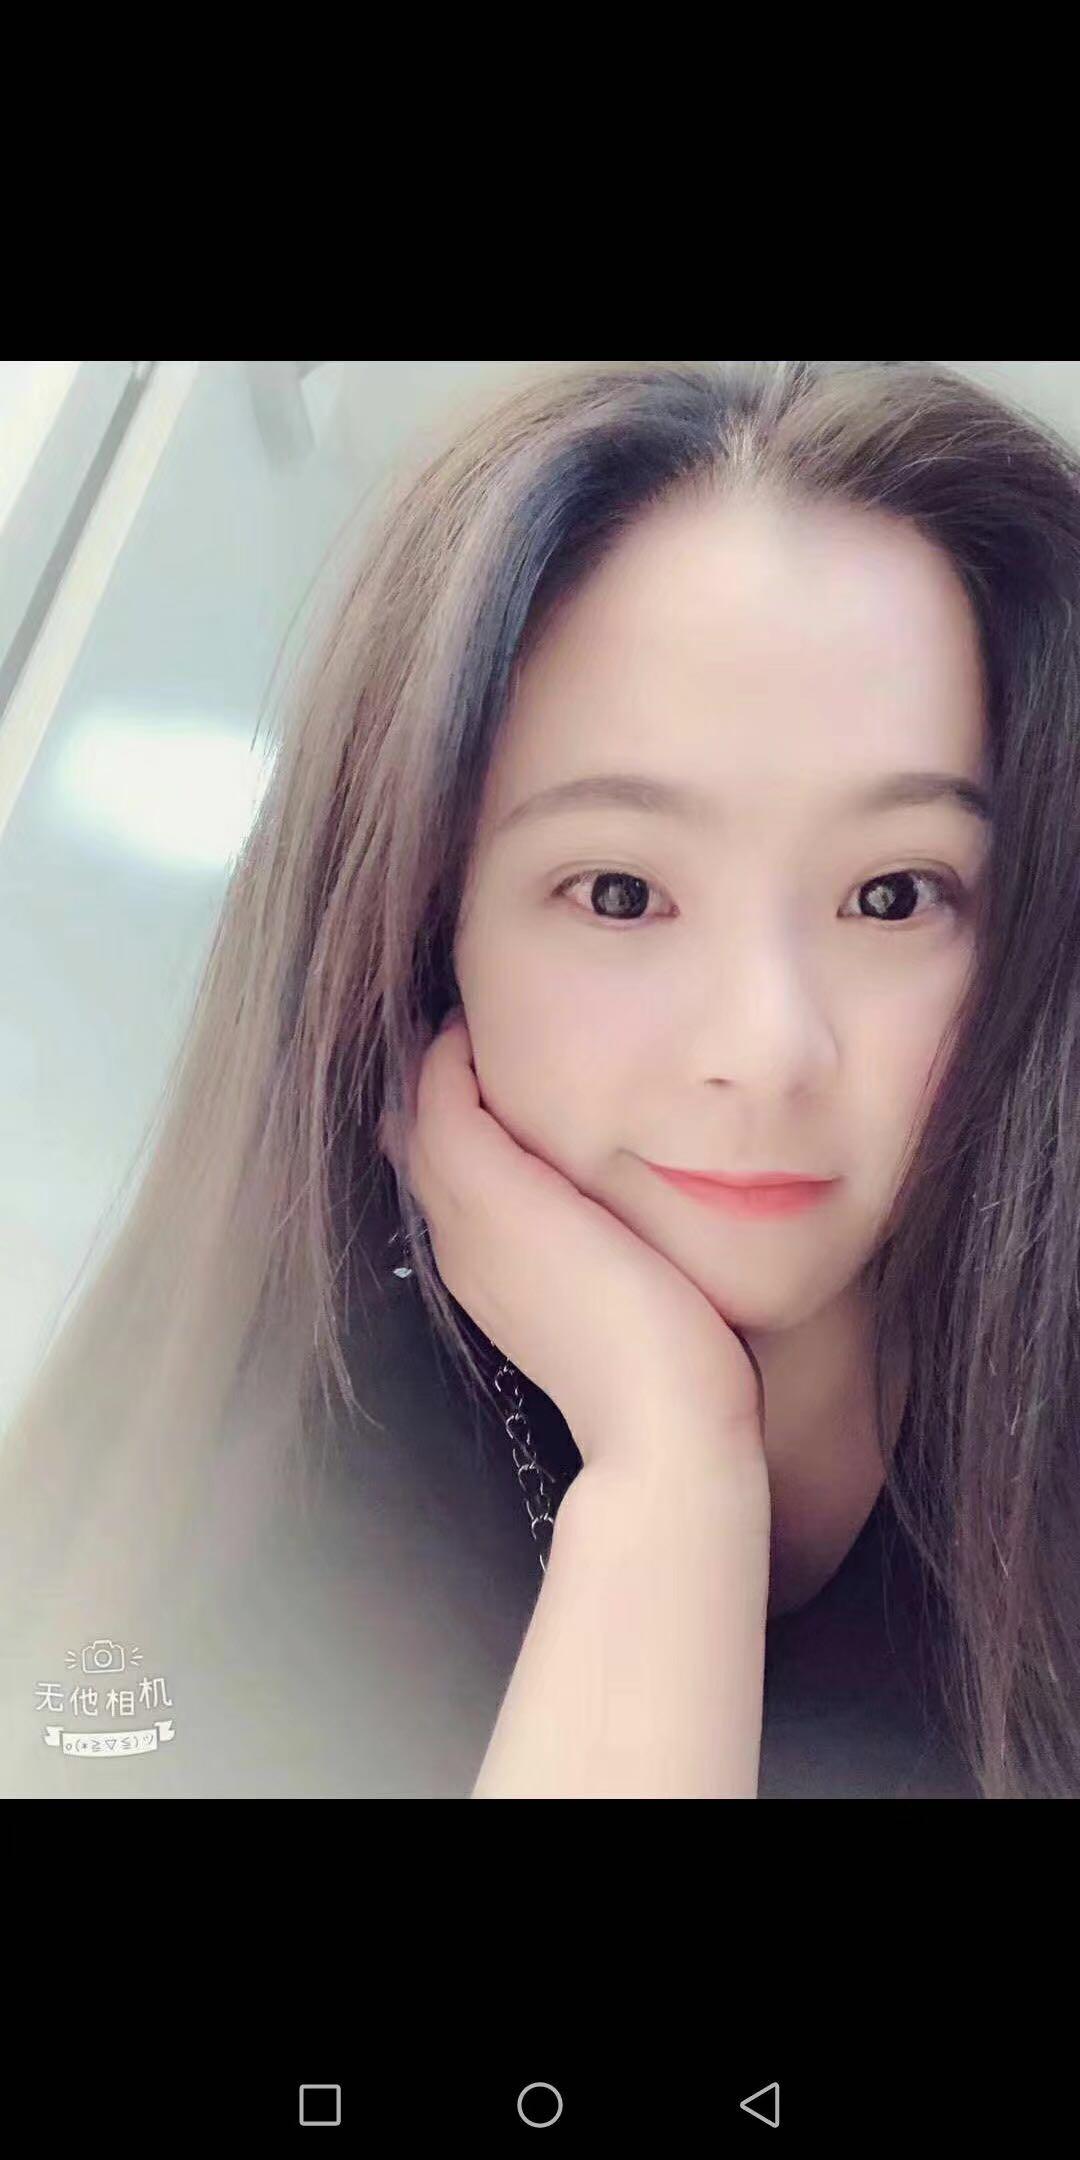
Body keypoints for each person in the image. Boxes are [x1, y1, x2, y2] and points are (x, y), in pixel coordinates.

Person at [2, 359, 1078, 1798]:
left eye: (894, 896)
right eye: (620, 892)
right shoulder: (244, 1526)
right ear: (429, 930)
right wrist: (668, 1480)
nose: (765, 1050)